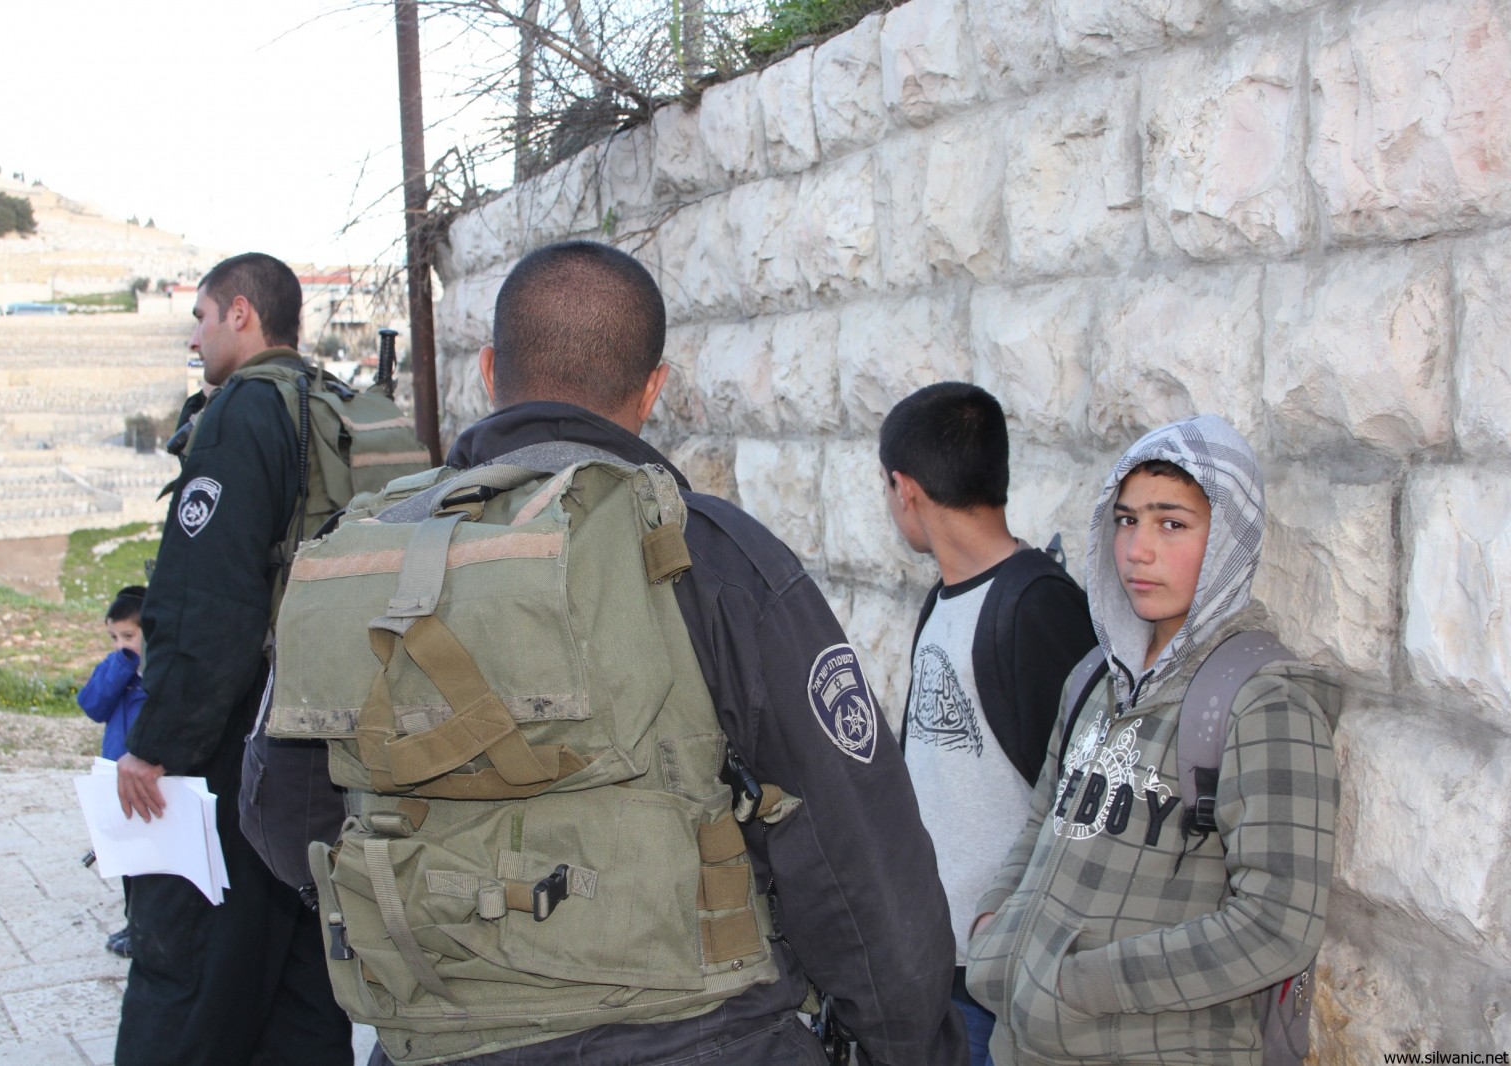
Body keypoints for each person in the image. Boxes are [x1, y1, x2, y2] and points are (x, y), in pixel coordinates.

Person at [357, 239, 965, 1064]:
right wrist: (911, 1044)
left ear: (491, 371)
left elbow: (285, 817)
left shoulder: (369, 555)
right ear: (653, 389)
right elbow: (855, 853)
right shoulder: (718, 562)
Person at [964, 414, 1339, 1066]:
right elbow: (1043, 820)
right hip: (1022, 1044)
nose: (1138, 549)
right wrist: (996, 934)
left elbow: (1277, 925)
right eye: (1127, 519)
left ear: (1228, 538)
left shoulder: (1265, 703)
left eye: (1172, 524)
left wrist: (1083, 984)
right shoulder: (1093, 676)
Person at [114, 253, 351, 1066]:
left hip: (233, 749)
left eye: (202, 317)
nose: (195, 336)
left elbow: (207, 605)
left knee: (185, 971)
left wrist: (156, 745)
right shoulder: (329, 405)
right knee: (300, 984)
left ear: (240, 313)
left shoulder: (241, 415)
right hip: (322, 746)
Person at [878, 383, 1095, 1065]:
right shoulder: (942, 601)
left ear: (905, 489)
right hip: (939, 964)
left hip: (1005, 979)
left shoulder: (1039, 607)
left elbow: (1084, 802)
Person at [77, 584, 149, 958]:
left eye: (129, 636)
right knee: (125, 858)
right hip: (114, 775)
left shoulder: (155, 676)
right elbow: (92, 705)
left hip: (145, 779)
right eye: (114, 637)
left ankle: (146, 926)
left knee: (148, 858)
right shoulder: (116, 668)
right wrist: (120, 666)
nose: (121, 645)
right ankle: (132, 921)